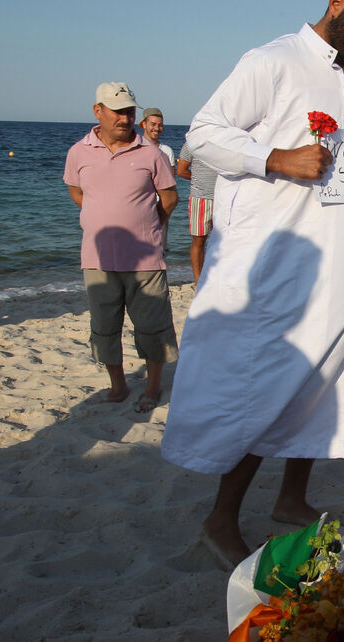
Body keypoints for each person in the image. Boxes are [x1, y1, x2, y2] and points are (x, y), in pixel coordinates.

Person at [160, 0, 344, 567]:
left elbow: (334, 161)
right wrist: (274, 158)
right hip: (273, 257)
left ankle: (291, 498)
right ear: (337, 4)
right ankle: (220, 520)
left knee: (326, 369)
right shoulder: (273, 60)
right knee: (268, 381)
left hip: (338, 248)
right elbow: (203, 134)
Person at [63, 82, 180, 413]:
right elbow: (76, 192)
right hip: (97, 258)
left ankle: (154, 387)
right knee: (104, 325)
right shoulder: (78, 152)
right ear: (98, 111)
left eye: (130, 111)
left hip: (145, 260)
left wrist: (145, 227)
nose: (126, 118)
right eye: (118, 111)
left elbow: (169, 198)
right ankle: (118, 385)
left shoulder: (151, 154)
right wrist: (100, 217)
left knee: (153, 325)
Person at [176, 141, 218, 284]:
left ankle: (217, 275)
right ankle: (198, 280)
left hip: (223, 198)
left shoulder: (223, 141)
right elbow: (181, 170)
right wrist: (197, 180)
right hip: (200, 198)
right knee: (199, 240)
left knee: (224, 240)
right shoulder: (192, 142)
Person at [139, 108, 176, 253]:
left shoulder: (166, 151)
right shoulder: (134, 148)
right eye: (153, 124)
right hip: (138, 208)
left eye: (160, 125)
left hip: (159, 208)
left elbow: (170, 183)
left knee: (158, 250)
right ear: (143, 124)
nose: (157, 128)